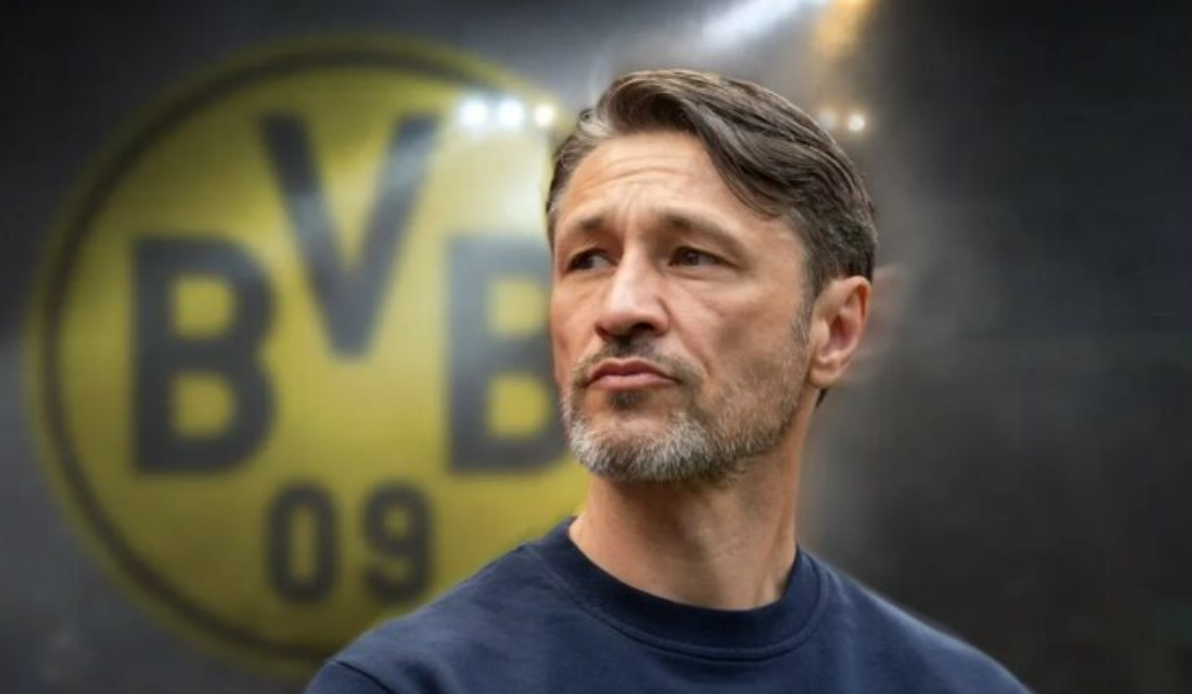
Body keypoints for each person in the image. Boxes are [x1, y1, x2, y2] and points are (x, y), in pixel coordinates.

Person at [304, 70, 1030, 694]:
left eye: (691, 256)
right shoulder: (410, 685)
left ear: (836, 330)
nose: (620, 308)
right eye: (589, 259)